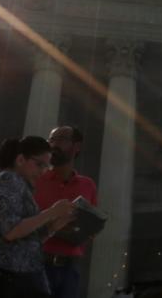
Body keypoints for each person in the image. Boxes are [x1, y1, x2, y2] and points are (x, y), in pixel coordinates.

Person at [0, 136, 78, 297]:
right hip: (7, 279)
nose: (43, 172)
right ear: (21, 159)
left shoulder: (21, 186)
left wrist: (53, 226)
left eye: (46, 166)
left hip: (23, 279)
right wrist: (51, 212)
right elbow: (11, 231)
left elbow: (27, 239)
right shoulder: (9, 180)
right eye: (39, 164)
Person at [33, 125, 98, 298]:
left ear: (76, 147)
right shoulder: (36, 179)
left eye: (61, 139)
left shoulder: (88, 185)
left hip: (70, 269)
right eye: (51, 139)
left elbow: (90, 228)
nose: (53, 144)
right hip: (36, 265)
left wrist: (84, 231)